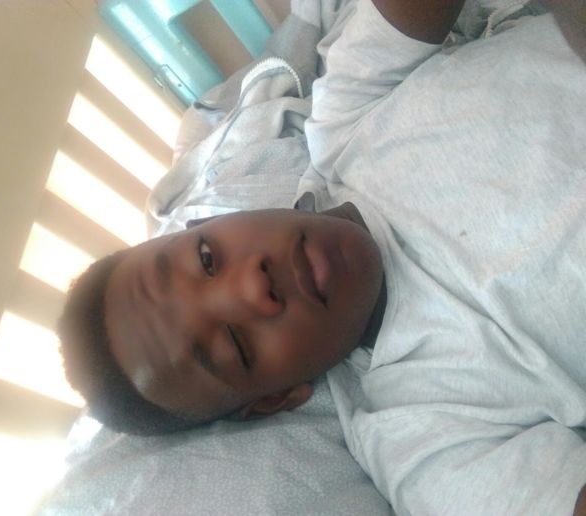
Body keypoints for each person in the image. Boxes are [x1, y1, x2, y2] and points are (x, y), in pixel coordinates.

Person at [58, 0, 586, 514]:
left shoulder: (346, 119)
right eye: (236, 345)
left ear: (210, 221)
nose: (253, 286)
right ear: (277, 398)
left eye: (208, 258)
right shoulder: (423, 435)